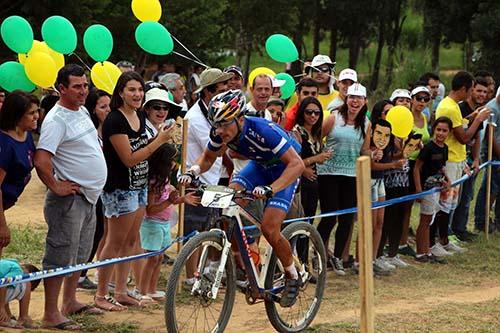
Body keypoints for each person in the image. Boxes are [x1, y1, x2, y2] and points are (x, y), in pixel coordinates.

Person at [178, 90, 305, 308]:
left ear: (239, 118)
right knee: (229, 202)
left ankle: (293, 275)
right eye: (215, 124)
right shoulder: (220, 132)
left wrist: (271, 189)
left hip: (285, 168)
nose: (219, 130)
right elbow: (209, 157)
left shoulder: (262, 130)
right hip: (258, 167)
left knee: (270, 228)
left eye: (225, 124)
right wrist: (193, 171)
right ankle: (246, 266)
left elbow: (298, 165)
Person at [35, 64, 107, 330]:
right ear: (61, 89)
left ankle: (69, 301)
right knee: (60, 254)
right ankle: (50, 314)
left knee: (80, 252)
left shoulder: (83, 110)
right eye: (76, 86)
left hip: (88, 196)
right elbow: (42, 160)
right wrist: (55, 186)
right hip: (68, 201)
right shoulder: (56, 120)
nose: (83, 90)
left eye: (85, 85)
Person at [94, 71, 174, 312]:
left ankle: (121, 291)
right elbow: (128, 159)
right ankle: (101, 294)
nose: (137, 94)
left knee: (130, 241)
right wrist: (159, 142)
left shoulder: (139, 116)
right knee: (113, 242)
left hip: (138, 186)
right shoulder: (115, 121)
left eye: (139, 90)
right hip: (120, 189)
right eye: (131, 90)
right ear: (121, 92)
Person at [182, 68, 232, 287]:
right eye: (221, 90)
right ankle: (190, 276)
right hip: (195, 181)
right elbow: (215, 149)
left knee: (209, 226)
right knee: (193, 230)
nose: (225, 94)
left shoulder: (213, 113)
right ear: (208, 93)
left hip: (214, 179)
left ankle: (201, 274)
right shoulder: (195, 117)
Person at [432, 71, 490, 256]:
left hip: (457, 160)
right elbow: (464, 137)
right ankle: (435, 243)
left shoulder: (453, 106)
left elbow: (459, 126)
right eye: (472, 89)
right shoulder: (449, 107)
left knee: (450, 204)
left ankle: (444, 240)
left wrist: (471, 117)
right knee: (442, 204)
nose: (473, 93)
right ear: (464, 89)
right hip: (449, 161)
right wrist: (479, 120)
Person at [316, 83, 371, 275]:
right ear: (346, 100)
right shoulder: (334, 118)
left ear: (365, 101)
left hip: (351, 175)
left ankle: (337, 257)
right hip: (328, 173)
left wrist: (373, 155)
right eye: (351, 97)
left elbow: (364, 150)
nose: (355, 101)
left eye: (359, 98)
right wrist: (317, 157)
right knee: (329, 216)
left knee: (347, 219)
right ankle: (318, 254)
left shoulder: (366, 124)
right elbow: (316, 139)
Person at [138, 144, 199, 301]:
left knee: (158, 258)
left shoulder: (164, 180)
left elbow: (170, 200)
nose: (175, 164)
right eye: (173, 160)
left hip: (163, 224)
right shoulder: (153, 183)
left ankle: (151, 289)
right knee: (151, 258)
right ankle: (142, 290)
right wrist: (170, 202)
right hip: (152, 224)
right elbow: (150, 209)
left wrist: (182, 199)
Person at [77, 88, 111, 290]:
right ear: (92, 109)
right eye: (102, 107)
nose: (107, 110)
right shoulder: (88, 130)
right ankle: (79, 274)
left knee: (98, 232)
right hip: (88, 191)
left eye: (109, 106)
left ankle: (83, 272)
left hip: (104, 190)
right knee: (89, 232)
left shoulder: (108, 130)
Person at [0, 91, 39, 255]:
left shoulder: (27, 135)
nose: (36, 116)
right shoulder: (5, 145)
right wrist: (2, 225)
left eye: (37, 111)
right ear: (17, 115)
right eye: (31, 113)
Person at [451, 77, 489, 240]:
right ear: (471, 90)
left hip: (469, 159)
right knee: (454, 198)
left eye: (485, 92)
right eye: (478, 90)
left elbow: (477, 135)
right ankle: (449, 231)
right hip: (457, 157)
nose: (482, 94)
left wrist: (476, 159)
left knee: (467, 195)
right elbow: (463, 136)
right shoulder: (460, 108)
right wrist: (477, 118)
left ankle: (461, 228)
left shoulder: (480, 109)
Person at [399, 85, 432, 257]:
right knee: (404, 205)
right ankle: (399, 242)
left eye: (426, 99)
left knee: (410, 206)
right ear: (412, 99)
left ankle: (403, 240)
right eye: (419, 98)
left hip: (419, 164)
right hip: (406, 163)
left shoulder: (425, 118)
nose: (422, 102)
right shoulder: (406, 117)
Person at [414, 117, 452, 263]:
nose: (441, 133)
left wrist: (447, 179)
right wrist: (418, 189)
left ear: (449, 132)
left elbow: (442, 167)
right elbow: (417, 168)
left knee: (430, 219)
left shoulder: (445, 148)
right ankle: (420, 253)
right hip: (427, 188)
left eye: (444, 130)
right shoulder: (428, 148)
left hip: (437, 188)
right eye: (438, 130)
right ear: (433, 130)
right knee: (425, 220)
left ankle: (427, 251)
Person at [292, 97, 332, 220]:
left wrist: (323, 156)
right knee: (299, 221)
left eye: (317, 112)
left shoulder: (316, 132)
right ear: (302, 112)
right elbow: (292, 162)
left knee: (310, 221)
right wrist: (314, 160)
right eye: (309, 112)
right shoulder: (296, 133)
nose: (313, 116)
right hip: (299, 185)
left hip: (313, 183)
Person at [474, 86, 500, 233]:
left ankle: (497, 220)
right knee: (492, 188)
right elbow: (490, 135)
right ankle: (482, 221)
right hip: (493, 153)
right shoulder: (492, 109)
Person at [0, 260, 40, 329]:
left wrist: (9, 315)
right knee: (26, 282)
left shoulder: (10, 263)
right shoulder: (18, 270)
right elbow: (3, 283)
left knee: (9, 287)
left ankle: (7, 317)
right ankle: (24, 317)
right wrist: (1, 308)